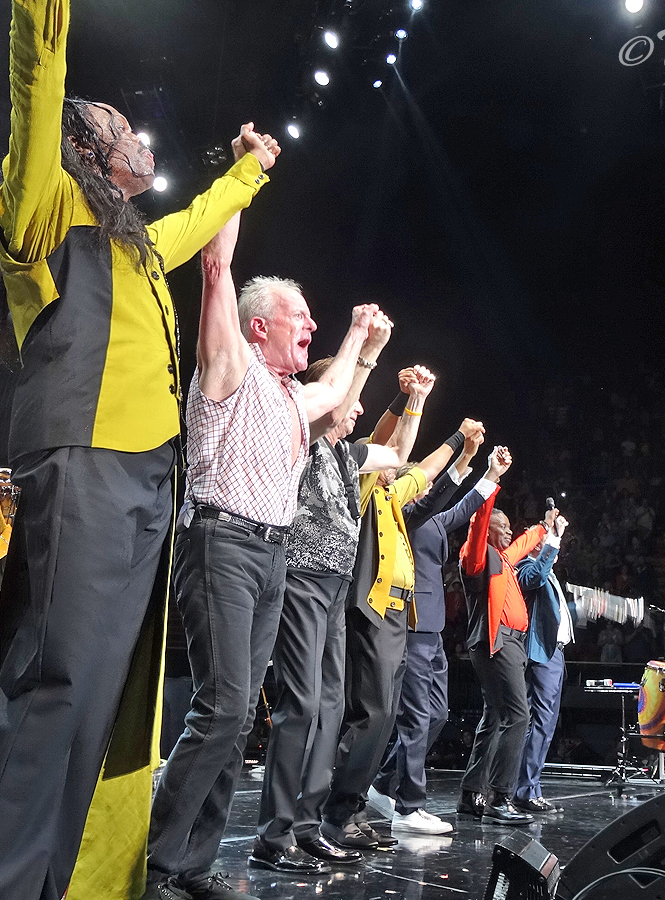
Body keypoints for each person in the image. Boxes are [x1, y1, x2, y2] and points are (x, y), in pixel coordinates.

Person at [0, 0, 280, 895]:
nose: (137, 137)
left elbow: (197, 220)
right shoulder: (44, 202)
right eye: (119, 126)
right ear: (85, 146)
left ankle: (49, 884)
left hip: (149, 478)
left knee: (97, 698)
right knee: (55, 683)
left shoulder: (137, 246)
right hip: (84, 458)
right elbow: (37, 77)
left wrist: (248, 171)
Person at [147, 199, 381, 900]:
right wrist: (240, 182)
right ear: (259, 327)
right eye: (299, 317)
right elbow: (216, 267)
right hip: (221, 542)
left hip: (271, 556)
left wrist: (360, 337)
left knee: (241, 714)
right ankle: (156, 863)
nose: (310, 325)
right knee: (222, 707)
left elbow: (334, 388)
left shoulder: (290, 399)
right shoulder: (230, 366)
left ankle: (193, 866)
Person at [251, 360, 438, 873]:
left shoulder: (347, 454)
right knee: (303, 704)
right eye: (350, 400)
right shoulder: (305, 434)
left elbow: (398, 455)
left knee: (331, 709)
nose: (358, 409)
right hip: (303, 578)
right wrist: (367, 355)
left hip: (335, 587)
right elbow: (333, 406)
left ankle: (307, 826)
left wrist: (417, 400)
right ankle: (274, 834)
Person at [320, 417, 485, 849]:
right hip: (374, 608)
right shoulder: (364, 488)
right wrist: (424, 414)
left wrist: (464, 454)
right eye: (389, 462)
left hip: (398, 611)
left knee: (386, 717)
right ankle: (339, 811)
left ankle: (355, 806)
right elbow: (408, 461)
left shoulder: (392, 499)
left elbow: (429, 480)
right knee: (372, 714)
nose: (396, 467)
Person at [370, 433, 497, 835]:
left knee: (437, 714)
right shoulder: (404, 513)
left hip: (434, 627)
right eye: (424, 482)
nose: (428, 488)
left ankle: (381, 782)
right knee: (416, 716)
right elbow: (439, 498)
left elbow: (461, 509)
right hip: (412, 624)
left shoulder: (432, 519)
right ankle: (409, 807)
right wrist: (461, 459)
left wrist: (490, 474)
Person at [457, 449, 556, 826]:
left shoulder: (503, 559)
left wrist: (545, 527)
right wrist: (492, 479)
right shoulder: (476, 555)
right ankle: (500, 797)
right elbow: (479, 522)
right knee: (518, 714)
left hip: (510, 643)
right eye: (503, 526)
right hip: (497, 643)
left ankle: (472, 794)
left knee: (497, 715)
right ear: (488, 530)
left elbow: (523, 544)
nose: (509, 531)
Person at [513, 510, 572, 813]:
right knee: (540, 722)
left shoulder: (549, 572)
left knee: (544, 723)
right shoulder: (525, 566)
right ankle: (524, 790)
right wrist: (553, 539)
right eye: (544, 541)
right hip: (543, 654)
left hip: (554, 653)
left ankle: (528, 787)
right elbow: (533, 578)